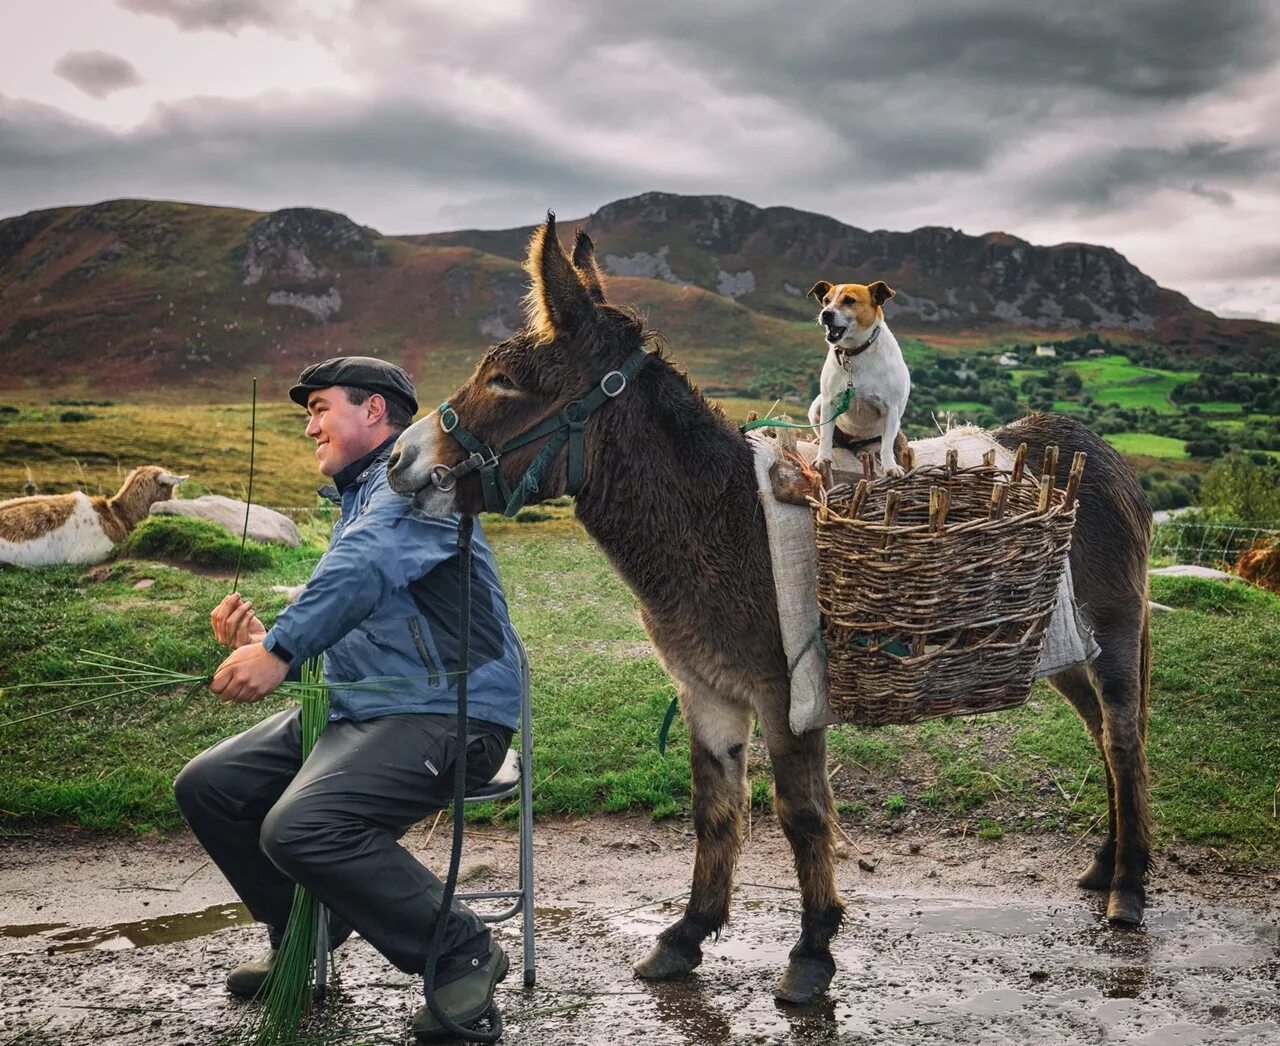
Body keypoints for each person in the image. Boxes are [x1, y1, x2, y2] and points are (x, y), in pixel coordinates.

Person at [174, 356, 523, 1041]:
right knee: (210, 786)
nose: (310, 427)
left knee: (301, 827)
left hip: (449, 713)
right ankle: (311, 929)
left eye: (318, 408)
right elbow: (361, 592)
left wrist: (279, 652)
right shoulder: (364, 495)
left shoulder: (417, 483)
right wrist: (268, 633)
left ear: (372, 412)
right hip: (364, 707)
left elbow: (366, 564)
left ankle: (460, 951)